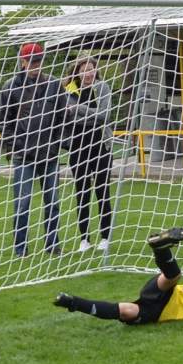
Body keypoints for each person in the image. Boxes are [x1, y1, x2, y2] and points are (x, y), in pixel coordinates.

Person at [52, 226, 183, 325]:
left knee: (126, 311)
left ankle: (73, 303)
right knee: (173, 276)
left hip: (158, 313)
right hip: (170, 294)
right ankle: (161, 249)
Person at [0, 42, 73, 256]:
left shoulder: (54, 84)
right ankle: (21, 249)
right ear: (23, 62)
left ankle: (53, 244)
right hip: (23, 156)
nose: (35, 65)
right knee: (22, 203)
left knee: (53, 202)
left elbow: (63, 118)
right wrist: (16, 146)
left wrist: (56, 143)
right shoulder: (10, 86)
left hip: (49, 154)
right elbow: (3, 122)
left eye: (38, 61)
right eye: (31, 62)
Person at [63, 56, 115, 254]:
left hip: (100, 145)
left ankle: (105, 238)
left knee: (103, 192)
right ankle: (84, 239)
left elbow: (104, 115)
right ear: (77, 71)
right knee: (82, 193)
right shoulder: (68, 90)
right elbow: (67, 119)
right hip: (78, 146)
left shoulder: (102, 87)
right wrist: (89, 114)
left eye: (91, 69)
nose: (88, 73)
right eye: (84, 69)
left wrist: (79, 109)